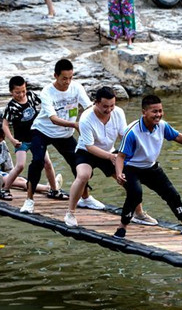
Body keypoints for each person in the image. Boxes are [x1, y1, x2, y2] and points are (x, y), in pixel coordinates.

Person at [113, 95, 182, 239]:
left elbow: (177, 136)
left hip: (151, 167)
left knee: (172, 194)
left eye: (160, 111)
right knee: (135, 194)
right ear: (144, 112)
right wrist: (119, 174)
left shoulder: (162, 125)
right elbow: (120, 156)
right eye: (154, 111)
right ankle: (122, 227)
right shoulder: (132, 132)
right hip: (132, 168)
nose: (158, 115)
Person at [64, 86, 157, 228]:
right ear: (96, 102)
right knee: (83, 175)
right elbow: (89, 146)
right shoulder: (86, 118)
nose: (109, 110)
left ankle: (138, 213)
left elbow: (123, 136)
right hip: (87, 152)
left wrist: (136, 152)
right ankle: (70, 213)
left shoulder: (118, 112)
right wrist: (110, 157)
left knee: (129, 179)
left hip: (109, 151)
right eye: (105, 106)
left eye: (112, 105)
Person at [20, 59, 95, 214]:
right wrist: (75, 125)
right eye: (64, 78)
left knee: (79, 163)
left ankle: (86, 198)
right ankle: (29, 200)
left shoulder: (76, 88)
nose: (67, 82)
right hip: (42, 130)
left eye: (70, 78)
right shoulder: (47, 92)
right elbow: (53, 119)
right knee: (38, 161)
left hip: (65, 134)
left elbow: (89, 108)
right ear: (56, 76)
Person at [2, 76, 63, 198]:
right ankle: (5, 189)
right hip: (21, 141)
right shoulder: (11, 107)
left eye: (23, 91)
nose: (21, 95)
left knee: (47, 162)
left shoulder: (31, 96)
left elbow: (45, 104)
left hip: (37, 137)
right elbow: (5, 125)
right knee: (20, 166)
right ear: (11, 92)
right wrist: (12, 140)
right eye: (17, 92)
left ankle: (54, 190)